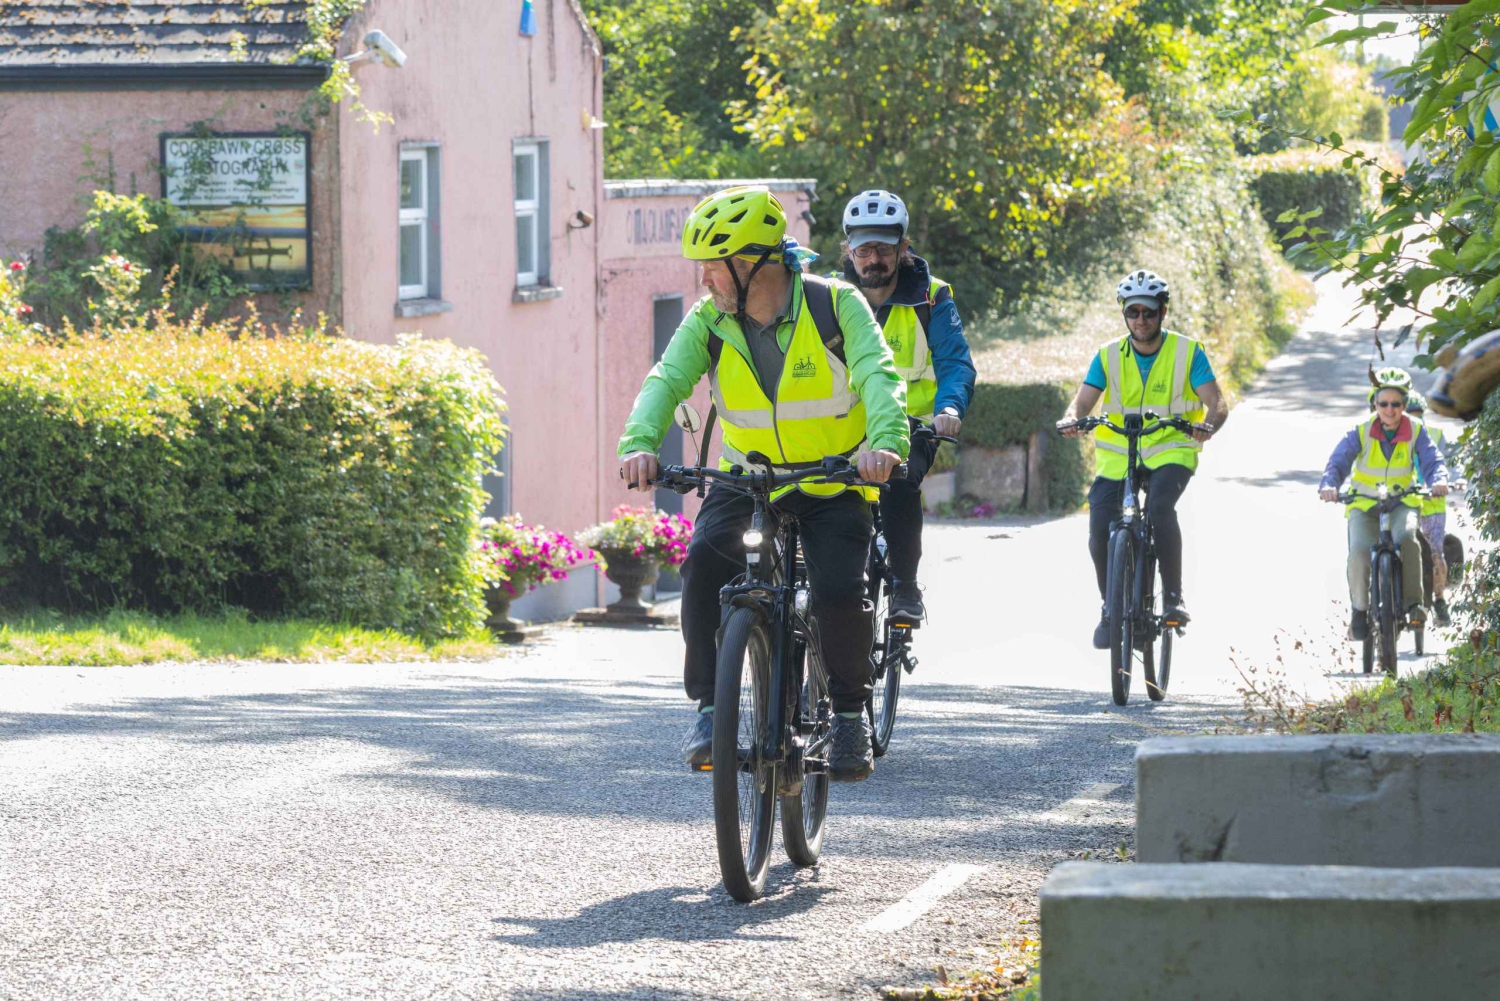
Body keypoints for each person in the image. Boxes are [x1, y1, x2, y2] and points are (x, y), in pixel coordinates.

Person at [617, 185, 909, 782]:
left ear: (752, 265)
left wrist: (885, 445)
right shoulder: (710, 322)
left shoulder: (836, 306)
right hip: (749, 481)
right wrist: (640, 444)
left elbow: (879, 377)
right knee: (701, 562)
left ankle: (850, 715)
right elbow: (666, 380)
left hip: (834, 481)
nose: (704, 282)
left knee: (837, 592)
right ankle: (708, 707)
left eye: (712, 269)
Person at [1057, 270, 1226, 648]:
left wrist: (1207, 425)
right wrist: (1072, 418)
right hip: (1120, 454)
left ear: (1163, 312)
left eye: (1149, 312)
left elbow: (1216, 402)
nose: (1141, 320)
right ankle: (1110, 607)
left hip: (1171, 448)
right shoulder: (1107, 355)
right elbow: (1083, 400)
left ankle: (1173, 598)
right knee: (1100, 526)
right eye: (1133, 312)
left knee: (1161, 509)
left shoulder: (1187, 352)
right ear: (1124, 314)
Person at [840, 189, 976, 622]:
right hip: (843, 427)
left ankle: (904, 587)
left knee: (898, 480)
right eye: (864, 249)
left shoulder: (932, 297)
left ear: (903, 247)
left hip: (913, 425)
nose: (873, 258)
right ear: (849, 250)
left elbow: (955, 363)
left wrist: (950, 410)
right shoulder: (827, 296)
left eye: (883, 247)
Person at [1318, 371, 1449, 639]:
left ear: (1404, 405)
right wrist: (1329, 485)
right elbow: (1338, 461)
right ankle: (1359, 612)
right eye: (1383, 404)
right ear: (1375, 405)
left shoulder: (1416, 430)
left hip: (1402, 502)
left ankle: (1415, 606)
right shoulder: (1361, 431)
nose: (1390, 410)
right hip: (1364, 503)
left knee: (1409, 540)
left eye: (1396, 404)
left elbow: (1433, 461)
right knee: (1359, 552)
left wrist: (1439, 480)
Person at [1404, 391, 1453, 627]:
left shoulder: (1435, 435)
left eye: (1417, 414)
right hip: (1403, 502)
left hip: (1432, 504)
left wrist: (1447, 482)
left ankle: (1439, 600)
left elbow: (1449, 464)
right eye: (1409, 414)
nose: (1414, 419)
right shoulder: (1392, 436)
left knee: (1435, 553)